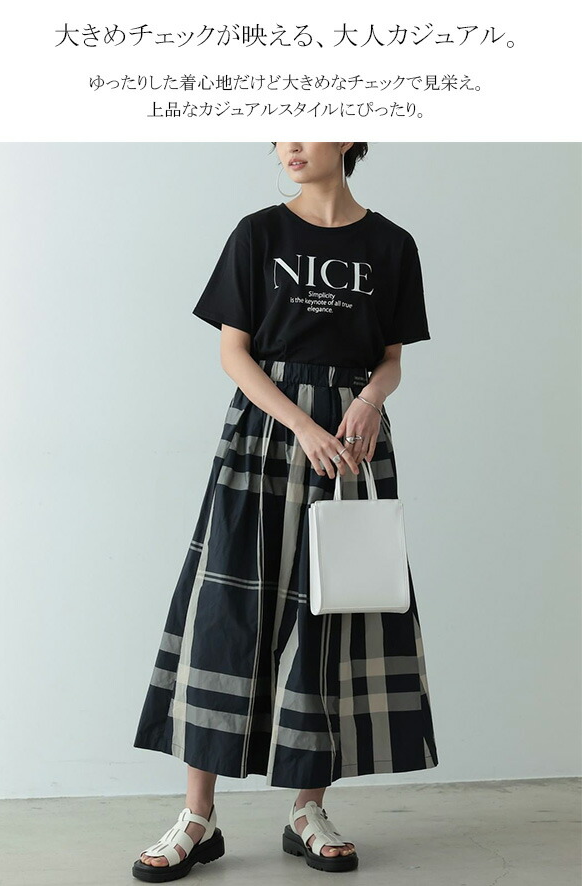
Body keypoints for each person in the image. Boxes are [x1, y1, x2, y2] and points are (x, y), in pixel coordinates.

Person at [131, 142, 439, 881]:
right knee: (225, 612)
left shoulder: (391, 245)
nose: (289, 143)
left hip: (350, 444)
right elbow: (234, 353)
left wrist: (369, 400)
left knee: (332, 616)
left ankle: (308, 810)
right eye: (280, 128)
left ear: (350, 135)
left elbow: (392, 356)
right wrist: (300, 423)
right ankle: (198, 818)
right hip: (267, 435)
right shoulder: (259, 233)